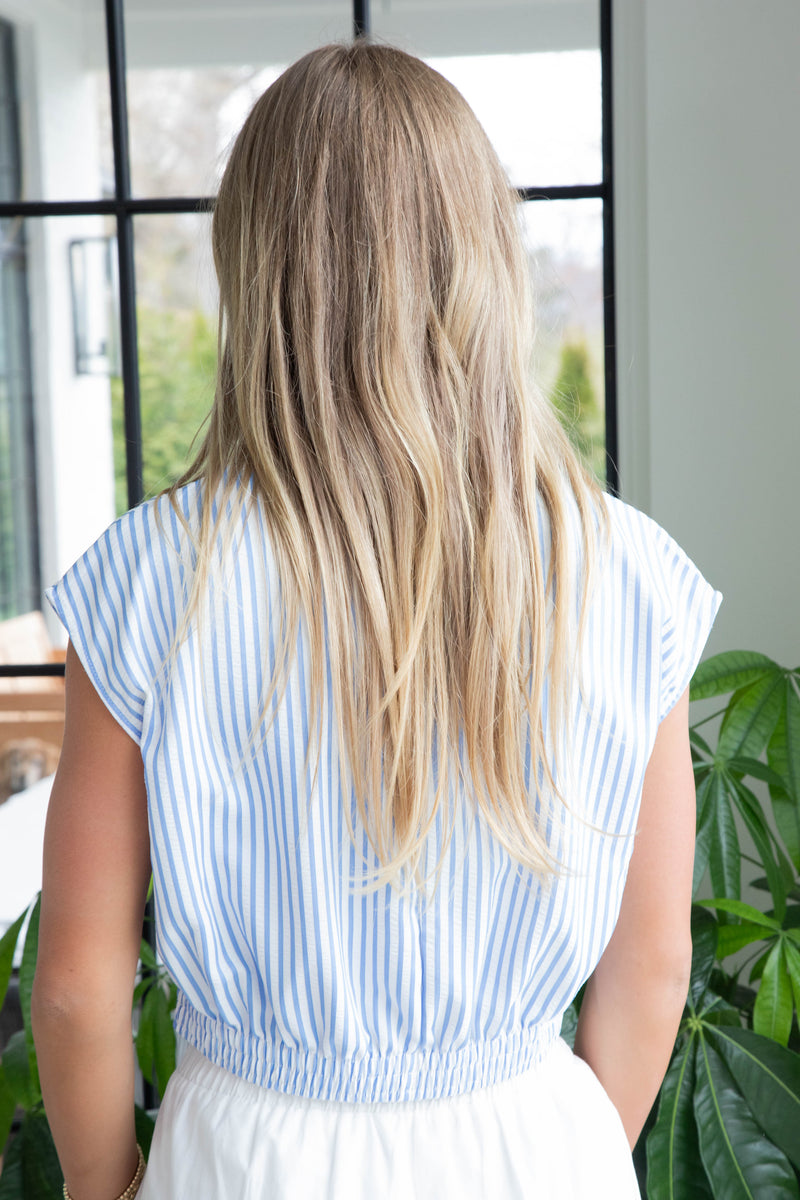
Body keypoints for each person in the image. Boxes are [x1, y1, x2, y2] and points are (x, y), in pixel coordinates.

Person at [32, 41, 721, 1200]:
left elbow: (77, 990)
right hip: (532, 1141)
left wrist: (107, 1189)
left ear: (256, 268)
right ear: (481, 256)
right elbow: (650, 965)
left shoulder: (151, 579)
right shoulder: (627, 570)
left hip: (246, 1156)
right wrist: (547, 1144)